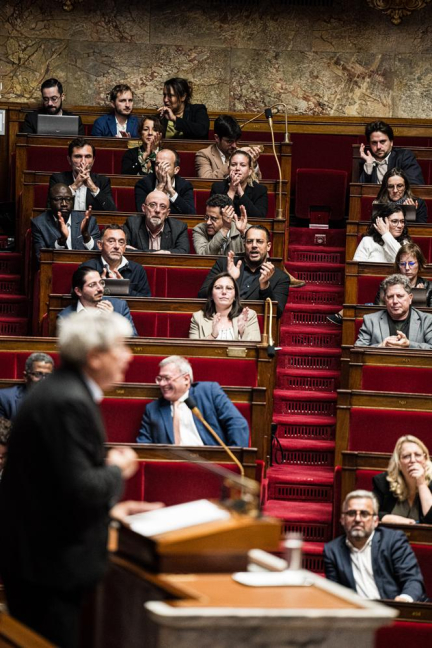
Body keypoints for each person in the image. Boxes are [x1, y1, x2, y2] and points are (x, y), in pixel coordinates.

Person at [0, 310, 159, 647]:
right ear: (94, 356)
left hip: (43, 561)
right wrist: (118, 469)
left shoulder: (64, 392)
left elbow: (56, 487)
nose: (129, 356)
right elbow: (83, 488)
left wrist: (112, 512)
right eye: (120, 346)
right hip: (50, 571)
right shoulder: (67, 401)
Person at [323, 490, 427, 602]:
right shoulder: (332, 551)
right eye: (351, 513)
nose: (357, 519)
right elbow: (334, 594)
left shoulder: (393, 540)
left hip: (396, 610)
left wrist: (403, 600)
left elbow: (413, 580)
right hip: (360, 615)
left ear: (376, 521)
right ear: (342, 519)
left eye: (364, 514)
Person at [137, 355, 249, 446]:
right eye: (159, 379)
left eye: (167, 378)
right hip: (172, 469)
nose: (161, 384)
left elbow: (237, 424)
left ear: (186, 379)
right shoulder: (152, 409)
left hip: (211, 466)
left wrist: (233, 463)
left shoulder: (209, 392)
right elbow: (144, 444)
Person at [327, 204, 411, 325]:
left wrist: (386, 235)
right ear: (382, 222)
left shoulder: (405, 243)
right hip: (368, 292)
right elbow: (354, 272)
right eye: (395, 221)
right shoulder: (368, 241)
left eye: (402, 221)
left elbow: (403, 259)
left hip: (394, 296)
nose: (400, 225)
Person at [198, 225, 289, 319]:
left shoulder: (280, 277)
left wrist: (265, 287)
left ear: (268, 246)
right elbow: (202, 295)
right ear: (244, 244)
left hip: (253, 328)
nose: (254, 245)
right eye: (249, 241)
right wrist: (229, 279)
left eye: (259, 241)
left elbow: (276, 313)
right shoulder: (224, 264)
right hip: (220, 321)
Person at [355, 274, 432, 349]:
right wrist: (381, 346)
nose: (395, 301)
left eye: (400, 296)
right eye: (390, 297)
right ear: (385, 299)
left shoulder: (427, 320)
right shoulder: (370, 321)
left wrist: (409, 344)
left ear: (410, 298)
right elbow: (358, 350)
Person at [57, 267, 138, 337]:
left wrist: (112, 320)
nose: (100, 289)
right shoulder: (65, 317)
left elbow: (133, 341)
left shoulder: (120, 307)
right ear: (78, 291)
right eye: (92, 285)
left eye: (101, 283)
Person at [31, 184, 100, 261]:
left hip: (85, 269)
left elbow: (99, 253)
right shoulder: (39, 223)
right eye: (58, 199)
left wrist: (86, 236)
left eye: (68, 199)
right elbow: (40, 258)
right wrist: (61, 241)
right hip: (56, 269)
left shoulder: (88, 221)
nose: (64, 204)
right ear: (50, 202)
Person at [373, 435, 432, 525]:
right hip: (391, 537)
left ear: (425, 459)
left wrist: (421, 484)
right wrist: (393, 519)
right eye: (406, 456)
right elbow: (368, 512)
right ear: (399, 463)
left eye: (418, 455)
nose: (413, 460)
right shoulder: (384, 482)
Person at [79, 224, 151, 296]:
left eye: (121, 242)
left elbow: (146, 302)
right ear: (100, 245)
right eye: (111, 241)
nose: (116, 246)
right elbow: (77, 297)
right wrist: (99, 287)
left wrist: (124, 288)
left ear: (125, 247)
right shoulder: (87, 268)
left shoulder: (137, 270)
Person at [48, 138, 117, 212]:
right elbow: (50, 209)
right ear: (69, 160)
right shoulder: (57, 179)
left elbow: (112, 211)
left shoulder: (103, 181)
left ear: (93, 161)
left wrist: (93, 188)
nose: (83, 162)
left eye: (87, 157)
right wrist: (74, 186)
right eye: (78, 156)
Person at [189, 272, 260, 341]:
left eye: (229, 288)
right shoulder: (198, 318)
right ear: (211, 295)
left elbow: (255, 350)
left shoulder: (249, 316)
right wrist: (212, 336)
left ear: (235, 295)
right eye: (218, 288)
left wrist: (242, 333)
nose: (224, 292)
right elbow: (193, 350)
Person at [195, 114, 262, 179]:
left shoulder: (240, 153)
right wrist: (231, 163)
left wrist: (253, 163)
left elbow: (258, 181)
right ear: (217, 138)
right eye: (229, 141)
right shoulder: (204, 155)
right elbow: (206, 181)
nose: (234, 146)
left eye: (236, 141)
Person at [359, 120, 424, 185]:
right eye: (374, 143)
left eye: (382, 142)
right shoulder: (366, 160)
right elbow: (358, 191)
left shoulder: (404, 156)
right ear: (369, 144)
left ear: (391, 142)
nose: (378, 147)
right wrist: (369, 165)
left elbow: (416, 185)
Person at [124, 190, 189, 254]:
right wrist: (165, 253)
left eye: (162, 206)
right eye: (152, 205)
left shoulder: (179, 228)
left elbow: (183, 252)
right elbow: (123, 249)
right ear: (144, 208)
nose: (157, 210)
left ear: (167, 213)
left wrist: (138, 251)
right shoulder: (132, 224)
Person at [135, 148, 195, 215]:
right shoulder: (143, 184)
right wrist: (159, 188)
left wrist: (171, 192)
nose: (160, 168)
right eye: (157, 164)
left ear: (176, 170)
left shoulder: (185, 186)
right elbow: (141, 212)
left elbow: (191, 214)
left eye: (166, 165)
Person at [210, 150, 268, 218]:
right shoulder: (217, 187)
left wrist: (240, 192)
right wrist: (231, 191)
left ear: (250, 171)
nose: (237, 168)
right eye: (233, 165)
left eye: (242, 165)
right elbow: (216, 215)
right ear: (229, 169)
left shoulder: (260, 190)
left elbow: (259, 217)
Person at [0, 353, 53, 420]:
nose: (43, 380)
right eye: (38, 374)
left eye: (48, 375)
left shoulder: (61, 399)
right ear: (25, 377)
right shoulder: (4, 399)